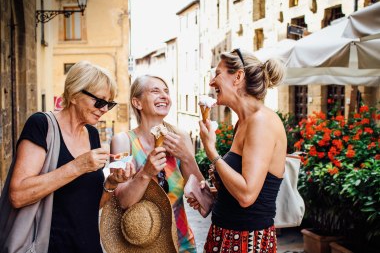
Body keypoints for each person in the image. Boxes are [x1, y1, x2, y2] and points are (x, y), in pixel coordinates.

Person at [3, 61, 135, 253]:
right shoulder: (41, 125)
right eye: (99, 101)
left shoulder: (91, 134)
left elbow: (91, 205)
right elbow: (18, 195)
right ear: (74, 95)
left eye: (109, 103)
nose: (105, 109)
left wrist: (112, 183)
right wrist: (78, 166)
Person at [189, 49, 287, 252]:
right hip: (226, 236)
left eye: (218, 74)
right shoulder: (243, 122)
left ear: (238, 76)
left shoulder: (261, 121)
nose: (212, 82)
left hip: (247, 241)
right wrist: (214, 195)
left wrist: (212, 152)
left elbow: (246, 195)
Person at [111, 75, 204, 253]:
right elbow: (120, 203)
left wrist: (187, 158)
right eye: (155, 91)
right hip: (140, 248)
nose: (164, 95)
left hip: (182, 246)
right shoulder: (122, 142)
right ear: (137, 103)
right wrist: (145, 173)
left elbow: (203, 201)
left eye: (166, 91)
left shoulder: (181, 138)